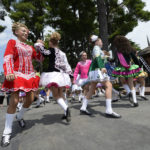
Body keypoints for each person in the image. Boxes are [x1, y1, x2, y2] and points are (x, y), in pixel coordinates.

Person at [1, 22, 42, 147]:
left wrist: (40, 48)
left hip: (29, 75)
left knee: (30, 100)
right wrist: (8, 71)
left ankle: (19, 116)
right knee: (14, 100)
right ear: (16, 32)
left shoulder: (30, 47)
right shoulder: (12, 43)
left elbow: (39, 59)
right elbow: (8, 56)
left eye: (27, 31)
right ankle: (6, 132)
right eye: (23, 30)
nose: (26, 32)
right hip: (17, 73)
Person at [80, 35, 121, 118]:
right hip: (98, 70)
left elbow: (100, 58)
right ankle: (109, 110)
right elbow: (98, 58)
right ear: (97, 41)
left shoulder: (97, 49)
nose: (102, 43)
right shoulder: (96, 48)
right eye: (101, 41)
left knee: (92, 89)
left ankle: (83, 107)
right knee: (108, 85)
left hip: (94, 70)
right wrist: (102, 66)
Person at [34, 32, 72, 123]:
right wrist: (70, 75)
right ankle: (66, 112)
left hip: (53, 75)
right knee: (61, 94)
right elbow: (67, 65)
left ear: (51, 42)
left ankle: (66, 109)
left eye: (49, 42)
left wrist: (38, 43)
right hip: (61, 75)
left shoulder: (51, 50)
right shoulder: (62, 53)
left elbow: (44, 52)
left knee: (55, 95)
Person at [112, 35, 142, 107]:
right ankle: (135, 101)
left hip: (121, 68)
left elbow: (115, 60)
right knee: (131, 84)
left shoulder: (117, 51)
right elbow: (135, 58)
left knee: (123, 82)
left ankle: (128, 92)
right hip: (129, 68)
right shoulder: (130, 49)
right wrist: (139, 65)